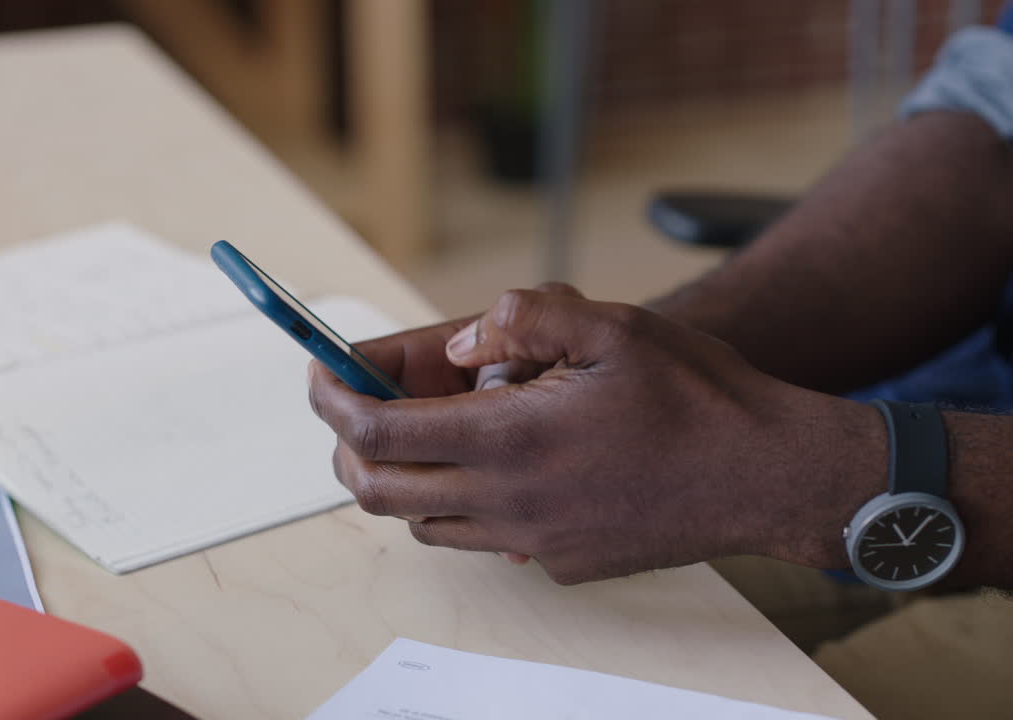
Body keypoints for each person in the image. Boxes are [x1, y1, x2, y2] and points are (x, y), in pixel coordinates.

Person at [307, 23, 1013, 720]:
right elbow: (991, 132)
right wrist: (640, 366)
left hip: (884, 485)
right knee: (395, 630)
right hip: (901, 441)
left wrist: (800, 477)